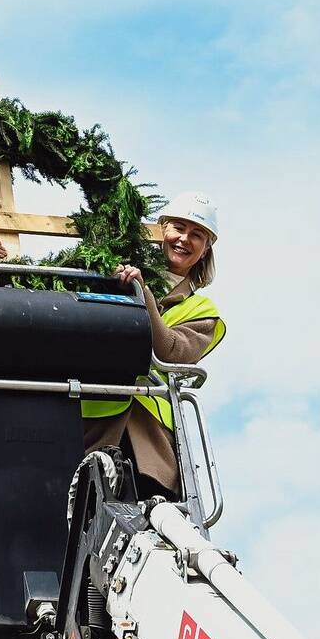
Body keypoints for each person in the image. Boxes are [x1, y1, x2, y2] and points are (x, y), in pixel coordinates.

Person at [82, 192, 226, 499]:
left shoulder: (202, 311)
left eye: (197, 234)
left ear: (205, 250)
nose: (185, 239)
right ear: (161, 230)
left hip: (149, 443)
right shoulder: (113, 270)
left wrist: (140, 291)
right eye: (178, 227)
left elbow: (171, 352)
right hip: (93, 424)